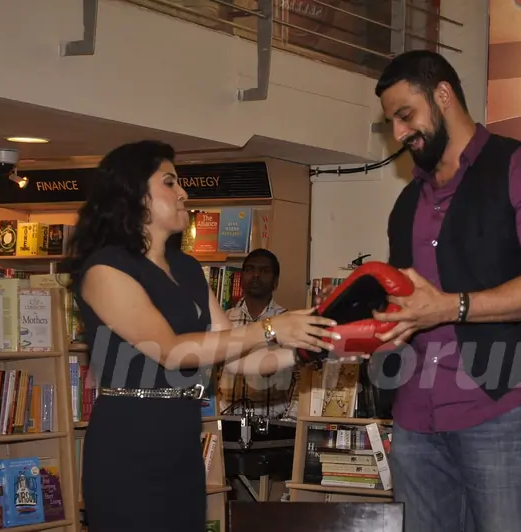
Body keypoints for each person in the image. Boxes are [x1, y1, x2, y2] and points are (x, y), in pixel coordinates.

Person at [65, 140, 338, 532]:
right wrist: (273, 328)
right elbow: (172, 351)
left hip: (181, 441)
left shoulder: (188, 268)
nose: (183, 193)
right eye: (170, 182)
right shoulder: (105, 270)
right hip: (128, 443)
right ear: (134, 193)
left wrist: (311, 348)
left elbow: (237, 356)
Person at [372, 50, 521, 532]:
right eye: (392, 123)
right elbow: (407, 305)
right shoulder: (407, 203)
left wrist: (451, 307)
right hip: (413, 419)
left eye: (406, 115)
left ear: (442, 95)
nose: (399, 134)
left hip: (503, 410)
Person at [222, 248, 291, 418]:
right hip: (226, 419)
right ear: (241, 277)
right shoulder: (225, 320)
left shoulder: (288, 322)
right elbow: (210, 371)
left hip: (275, 422)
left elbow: (301, 377)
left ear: (275, 281)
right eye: (250, 269)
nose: (256, 275)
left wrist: (290, 420)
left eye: (264, 271)